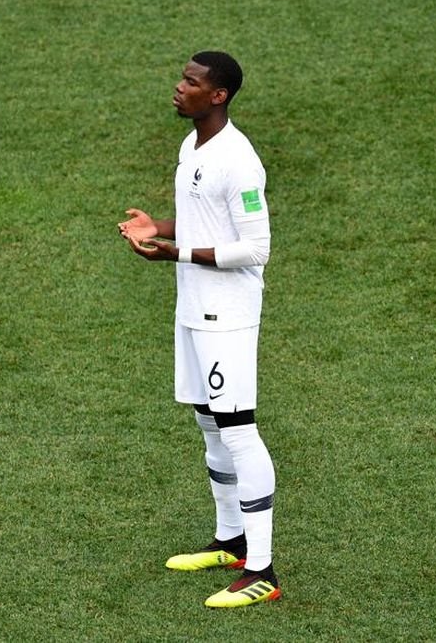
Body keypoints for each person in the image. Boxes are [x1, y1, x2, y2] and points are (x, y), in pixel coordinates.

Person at [118, 51, 280, 608]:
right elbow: (203, 220)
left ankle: (262, 570)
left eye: (191, 82)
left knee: (238, 430)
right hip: (192, 308)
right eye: (181, 78)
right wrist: (158, 227)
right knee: (209, 423)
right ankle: (231, 542)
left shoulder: (239, 162)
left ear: (218, 95)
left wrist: (176, 252)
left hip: (226, 315)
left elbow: (256, 248)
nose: (178, 87)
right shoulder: (193, 145)